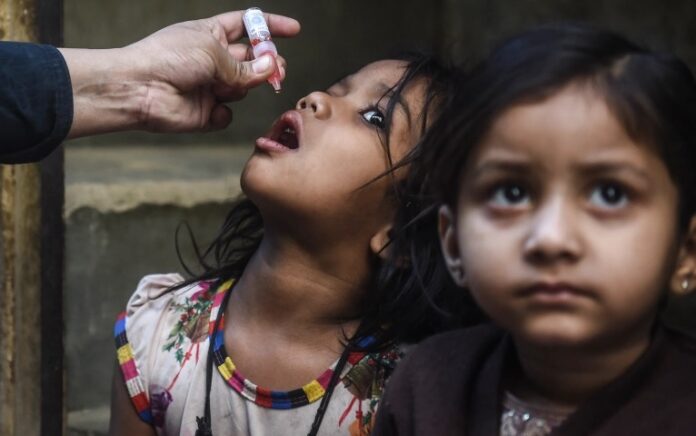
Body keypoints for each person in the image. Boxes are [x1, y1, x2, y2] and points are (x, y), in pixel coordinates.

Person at [109, 52, 469, 436]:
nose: (315, 98)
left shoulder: (408, 394)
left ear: (397, 235)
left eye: (373, 117)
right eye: (336, 90)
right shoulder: (158, 336)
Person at [373, 24, 696, 436]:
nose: (550, 239)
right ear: (453, 244)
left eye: (610, 194)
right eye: (510, 192)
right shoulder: (428, 383)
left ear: (686, 250)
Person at [0, 10, 300, 164]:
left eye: (350, 112)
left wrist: (139, 88)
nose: (312, 100)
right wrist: (139, 84)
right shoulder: (159, 287)